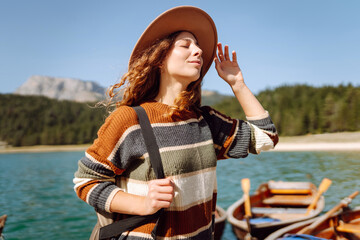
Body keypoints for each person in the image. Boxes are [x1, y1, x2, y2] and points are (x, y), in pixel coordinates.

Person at [73, 6, 278, 240]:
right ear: (159, 59)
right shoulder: (129, 120)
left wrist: (238, 85)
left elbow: (266, 138)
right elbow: (86, 181)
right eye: (186, 45)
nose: (198, 51)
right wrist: (143, 204)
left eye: (198, 45)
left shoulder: (206, 121)